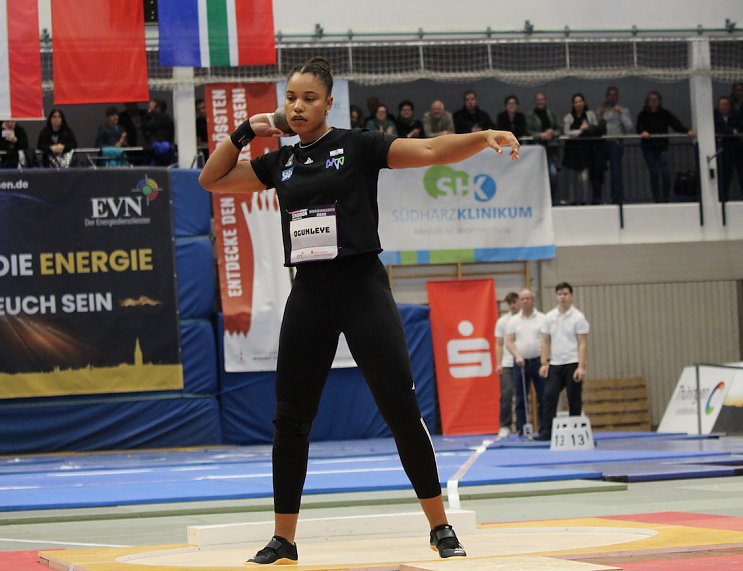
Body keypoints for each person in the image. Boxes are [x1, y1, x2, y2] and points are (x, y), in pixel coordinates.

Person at [198, 56, 520, 565]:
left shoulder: (358, 145)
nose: (298, 106)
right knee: (289, 421)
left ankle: (440, 528)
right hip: (310, 295)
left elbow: (433, 148)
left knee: (401, 412)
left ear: (329, 103)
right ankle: (284, 538)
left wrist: (483, 137)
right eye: (290, 98)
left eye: (308, 98)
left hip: (362, 289)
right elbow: (212, 180)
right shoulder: (278, 162)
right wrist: (244, 131)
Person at [538, 283, 589, 441]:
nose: (562, 297)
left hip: (572, 363)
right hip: (555, 363)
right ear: (556, 296)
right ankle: (547, 433)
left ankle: (575, 432)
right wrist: (544, 363)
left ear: (571, 295)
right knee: (549, 395)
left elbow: (582, 343)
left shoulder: (578, 317)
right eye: (559, 294)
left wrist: (581, 367)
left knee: (574, 398)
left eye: (565, 294)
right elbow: (545, 341)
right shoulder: (549, 317)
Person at [636, 91, 695, 203]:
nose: (653, 102)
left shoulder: (664, 113)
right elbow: (639, 127)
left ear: (659, 101)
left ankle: (665, 198)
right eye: (651, 99)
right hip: (648, 147)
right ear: (647, 102)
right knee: (654, 173)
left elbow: (676, 124)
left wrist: (687, 131)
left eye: (656, 99)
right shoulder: (643, 114)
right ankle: (657, 199)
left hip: (662, 147)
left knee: (666, 173)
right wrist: (642, 132)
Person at [505, 288, 546, 437]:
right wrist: (517, 356)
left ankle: (544, 429)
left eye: (528, 298)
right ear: (519, 301)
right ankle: (522, 429)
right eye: (522, 299)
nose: (525, 301)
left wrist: (545, 360)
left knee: (543, 397)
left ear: (533, 300)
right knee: (521, 398)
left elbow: (547, 340)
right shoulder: (514, 321)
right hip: (521, 363)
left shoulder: (542, 318)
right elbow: (509, 342)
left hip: (538, 362)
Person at [560, 93, 604, 205]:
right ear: (573, 104)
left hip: (586, 150)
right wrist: (580, 131)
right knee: (571, 178)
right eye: (576, 102)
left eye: (580, 101)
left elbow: (596, 129)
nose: (578, 104)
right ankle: (572, 200)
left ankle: (585, 200)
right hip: (571, 151)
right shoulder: (568, 117)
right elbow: (567, 133)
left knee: (584, 178)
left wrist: (587, 129)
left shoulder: (590, 115)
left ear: (584, 103)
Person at [597, 86, 633, 204]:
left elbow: (629, 127)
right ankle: (598, 199)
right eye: (610, 95)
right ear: (607, 97)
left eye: (614, 95)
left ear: (617, 97)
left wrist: (621, 114)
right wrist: (600, 113)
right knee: (598, 171)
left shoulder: (623, 110)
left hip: (615, 144)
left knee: (616, 172)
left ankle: (617, 199)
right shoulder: (601, 110)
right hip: (602, 144)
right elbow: (595, 125)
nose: (612, 97)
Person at [494, 291, 520, 438]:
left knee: (523, 396)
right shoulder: (503, 322)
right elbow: (498, 344)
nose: (513, 305)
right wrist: (499, 363)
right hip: (508, 362)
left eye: (514, 302)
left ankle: (523, 425)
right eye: (510, 303)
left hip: (524, 360)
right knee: (507, 393)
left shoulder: (526, 319)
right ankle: (505, 425)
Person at [527, 92, 561, 197]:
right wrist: (540, 135)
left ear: (545, 100)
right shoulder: (530, 115)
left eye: (542, 99)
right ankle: (538, 199)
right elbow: (528, 131)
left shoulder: (552, 114)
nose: (540, 102)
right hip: (537, 149)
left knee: (553, 174)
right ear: (535, 101)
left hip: (551, 148)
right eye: (538, 100)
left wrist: (552, 133)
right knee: (536, 176)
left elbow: (559, 129)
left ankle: (552, 198)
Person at [714, 96, 740, 202]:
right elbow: (717, 128)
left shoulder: (735, 114)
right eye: (722, 104)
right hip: (717, 149)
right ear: (718, 106)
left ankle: (725, 197)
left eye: (726, 105)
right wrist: (730, 131)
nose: (724, 107)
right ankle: (718, 197)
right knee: (718, 174)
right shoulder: (714, 115)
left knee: (728, 174)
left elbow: (740, 127)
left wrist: (731, 132)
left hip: (731, 149)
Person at [142, 98, 176, 166]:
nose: (149, 107)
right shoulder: (156, 118)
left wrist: (148, 113)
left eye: (152, 106)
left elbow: (144, 126)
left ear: (158, 108)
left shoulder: (162, 118)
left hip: (161, 150)